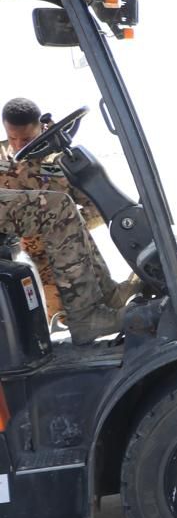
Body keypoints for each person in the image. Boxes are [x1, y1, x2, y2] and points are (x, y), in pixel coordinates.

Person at [0, 97, 129, 344]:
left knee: (70, 216)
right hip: (36, 261)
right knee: (60, 209)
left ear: (40, 129)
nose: (17, 146)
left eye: (25, 140)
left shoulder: (56, 162)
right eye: (12, 138)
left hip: (65, 257)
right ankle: (85, 316)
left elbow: (94, 206)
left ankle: (109, 296)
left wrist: (69, 229)